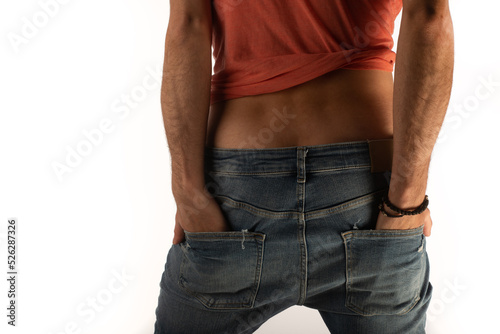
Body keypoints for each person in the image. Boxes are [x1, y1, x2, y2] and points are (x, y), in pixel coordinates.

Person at [154, 0, 454, 333]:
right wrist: (406, 199)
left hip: (237, 189)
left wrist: (189, 192)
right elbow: (429, 14)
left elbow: (189, 25)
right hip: (367, 189)